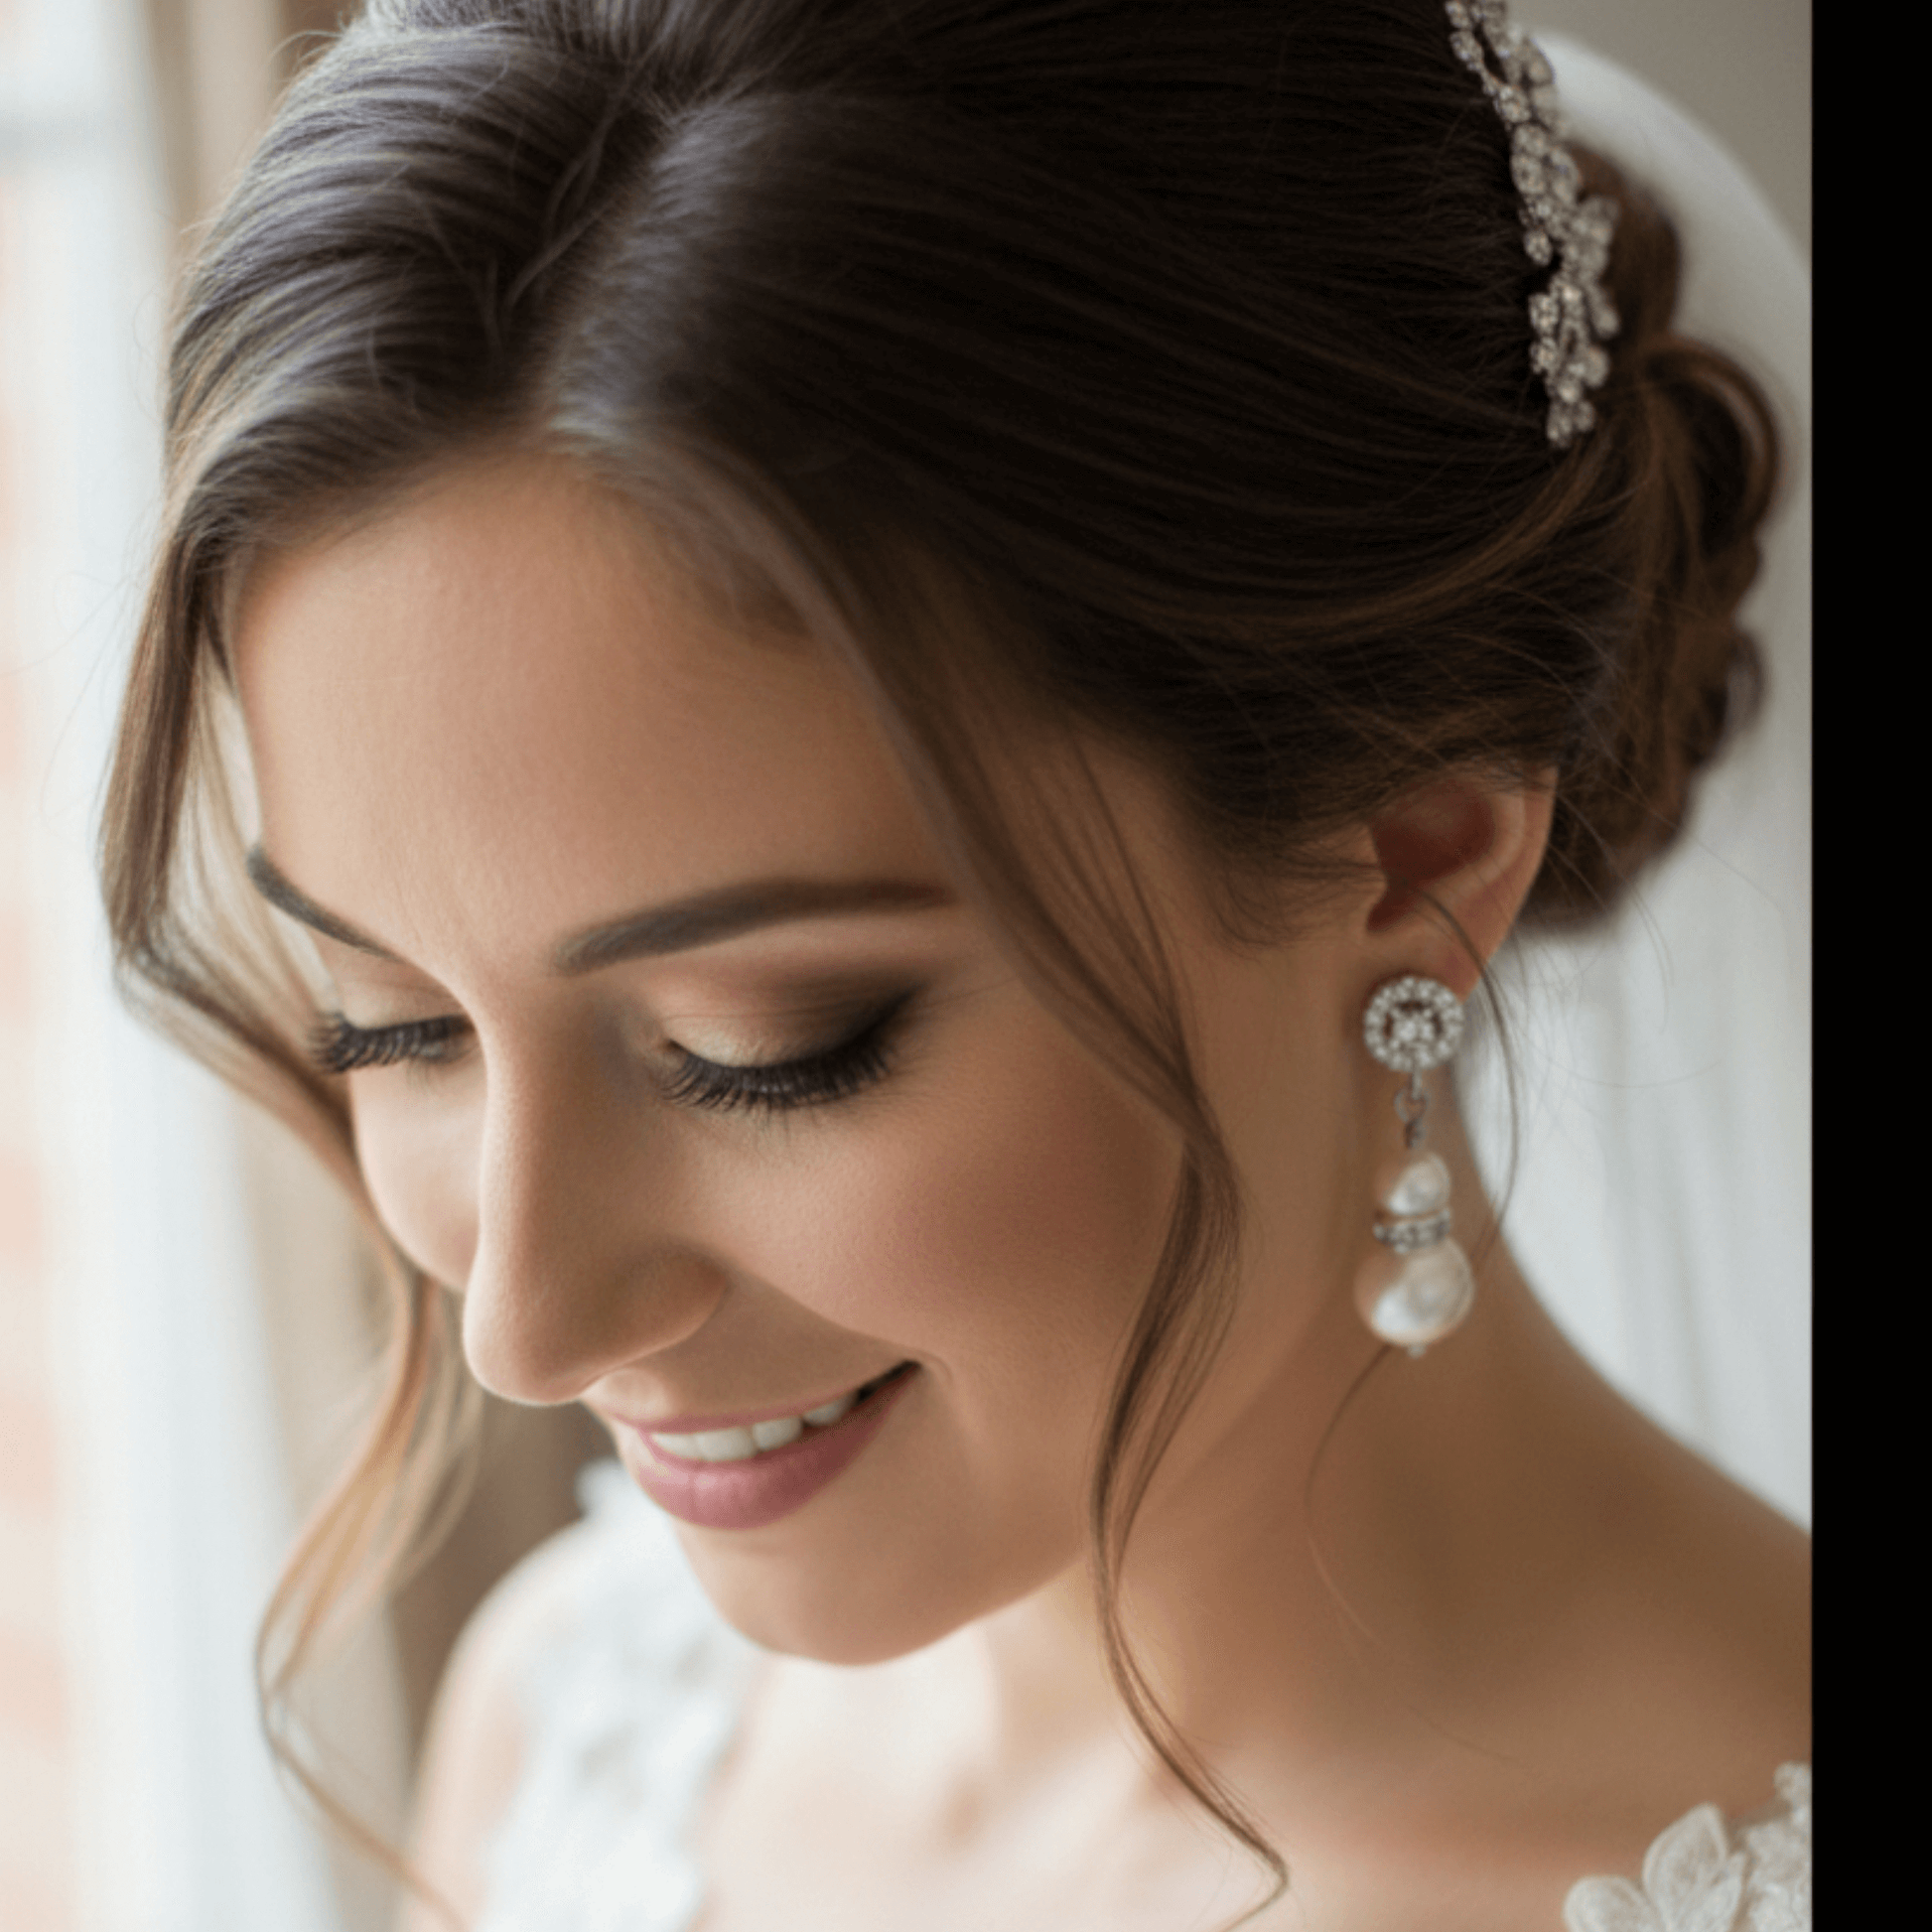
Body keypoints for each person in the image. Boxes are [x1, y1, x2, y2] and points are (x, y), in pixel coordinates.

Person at [99, 1, 1811, 1927]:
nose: (525, 1323)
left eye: (770, 1046)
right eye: (396, 1021)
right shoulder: (579, 1719)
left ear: (1413, 865)